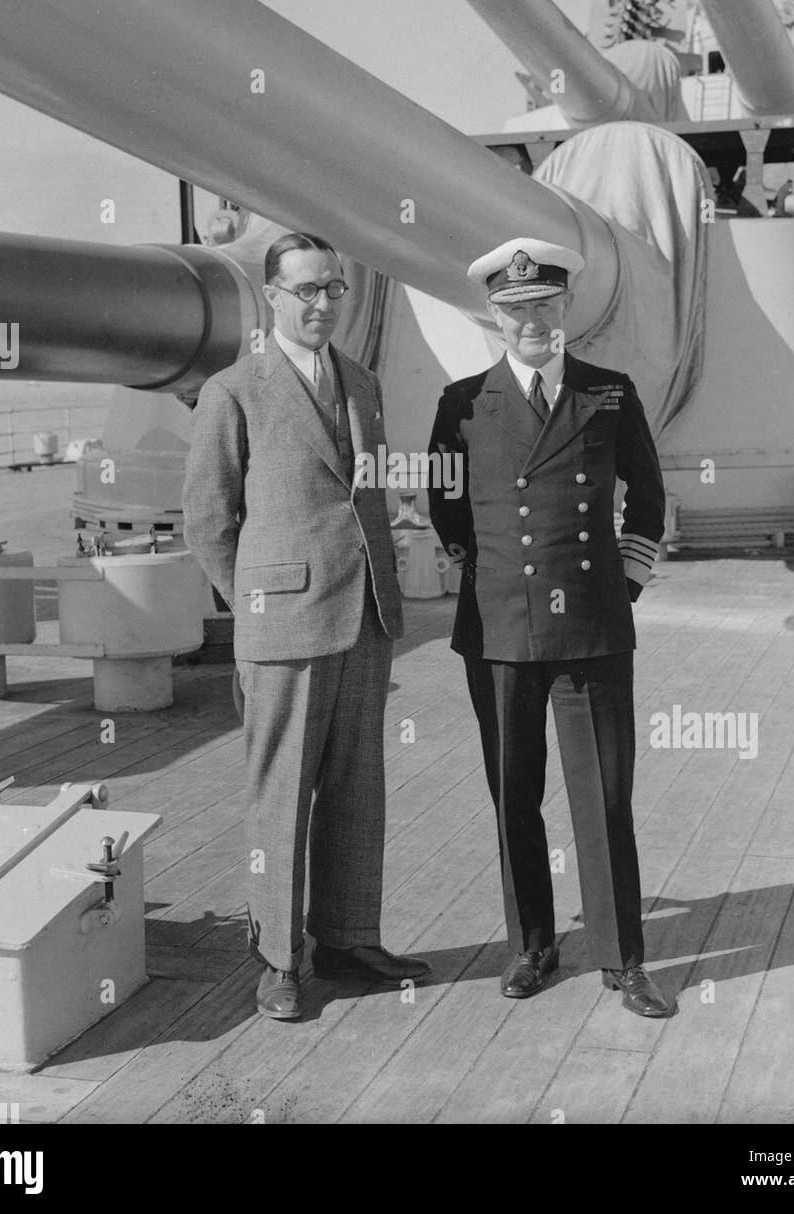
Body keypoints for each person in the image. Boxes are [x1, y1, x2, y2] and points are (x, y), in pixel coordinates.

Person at [183, 231, 429, 1020]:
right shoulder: (235, 389)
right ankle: (282, 960)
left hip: (365, 617)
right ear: (273, 298)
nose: (322, 304)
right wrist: (255, 602)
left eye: (334, 290)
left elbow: (368, 501)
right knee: (281, 796)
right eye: (307, 291)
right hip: (281, 624)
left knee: (358, 788)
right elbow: (207, 521)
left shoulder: (363, 382)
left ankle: (349, 937)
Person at [427, 237, 676, 1019]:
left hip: (594, 627)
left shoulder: (610, 392)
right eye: (514, 309)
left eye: (544, 306)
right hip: (501, 628)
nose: (532, 320)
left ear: (565, 308)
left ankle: (621, 957)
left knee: (604, 798)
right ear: (494, 316)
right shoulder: (461, 402)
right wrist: (490, 579)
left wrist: (625, 580)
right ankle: (532, 944)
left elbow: (648, 492)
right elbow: (447, 508)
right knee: (514, 794)